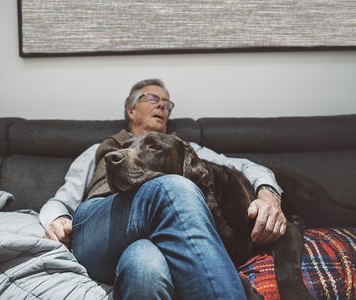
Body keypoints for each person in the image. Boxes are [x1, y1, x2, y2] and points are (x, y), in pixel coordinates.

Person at [40, 79, 286, 300]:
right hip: (102, 230)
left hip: (154, 237)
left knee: (145, 267)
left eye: (167, 103)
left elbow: (245, 166)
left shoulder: (181, 147)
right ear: (131, 109)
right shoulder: (100, 149)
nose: (162, 106)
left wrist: (268, 194)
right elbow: (61, 200)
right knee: (173, 187)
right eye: (152, 99)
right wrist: (58, 218)